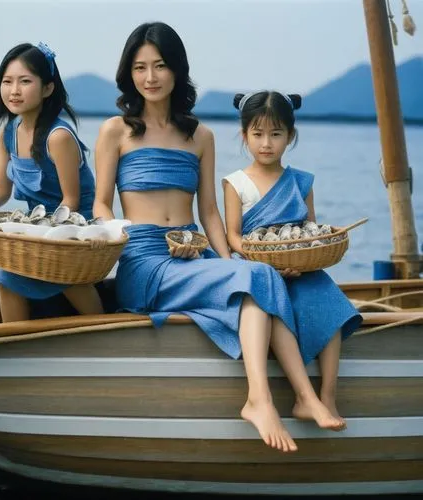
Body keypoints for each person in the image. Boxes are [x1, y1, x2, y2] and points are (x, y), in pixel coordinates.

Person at [93, 22, 349, 452]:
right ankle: (260, 400)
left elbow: (209, 211)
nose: (150, 77)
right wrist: (121, 231)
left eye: (160, 65)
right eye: (140, 68)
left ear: (177, 70)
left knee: (257, 276)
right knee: (257, 280)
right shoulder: (116, 130)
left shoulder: (201, 135)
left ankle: (306, 398)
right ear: (129, 74)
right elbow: (100, 204)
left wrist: (229, 259)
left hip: (194, 250)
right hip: (144, 258)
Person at [223, 90, 363, 425]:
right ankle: (305, 397)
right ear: (245, 136)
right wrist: (264, 260)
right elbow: (232, 235)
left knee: (330, 301)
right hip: (257, 265)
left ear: (290, 136)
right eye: (257, 134)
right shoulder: (235, 182)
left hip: (299, 266)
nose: (266, 143)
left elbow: (308, 231)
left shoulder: (301, 182)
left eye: (276, 134)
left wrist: (303, 257)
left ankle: (327, 396)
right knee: (271, 304)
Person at [0, 42, 102, 322]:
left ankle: (104, 326)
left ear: (47, 88)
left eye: (25, 81)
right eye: (7, 81)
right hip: (36, 226)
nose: (14, 90)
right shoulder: (10, 132)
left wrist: (43, 233)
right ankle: (16, 342)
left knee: (64, 276)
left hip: (75, 226)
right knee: (6, 272)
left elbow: (72, 201)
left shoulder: (58, 137)